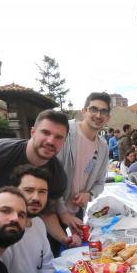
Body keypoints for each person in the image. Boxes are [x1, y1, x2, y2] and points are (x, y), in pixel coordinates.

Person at [53, 92, 111, 246]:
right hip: (52, 210)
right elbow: (51, 174)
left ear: (108, 117)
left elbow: (100, 182)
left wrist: (89, 194)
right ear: (84, 111)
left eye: (103, 111)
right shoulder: (66, 132)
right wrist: (62, 212)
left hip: (76, 212)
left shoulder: (103, 147)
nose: (98, 115)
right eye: (93, 109)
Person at [1, 165, 55, 273]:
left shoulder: (38, 223)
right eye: (28, 190)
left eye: (42, 192)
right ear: (13, 192)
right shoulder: (3, 232)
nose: (36, 197)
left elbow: (47, 265)